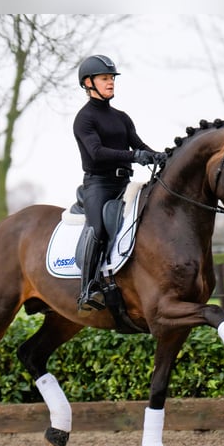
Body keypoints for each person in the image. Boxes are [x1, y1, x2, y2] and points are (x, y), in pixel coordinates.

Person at [73, 54, 166, 315]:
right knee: (99, 229)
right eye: (105, 78)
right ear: (88, 83)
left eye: (112, 78)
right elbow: (97, 152)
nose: (111, 83)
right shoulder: (84, 119)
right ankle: (88, 288)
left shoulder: (122, 117)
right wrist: (134, 156)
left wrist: (160, 156)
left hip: (124, 183)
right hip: (99, 186)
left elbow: (139, 145)